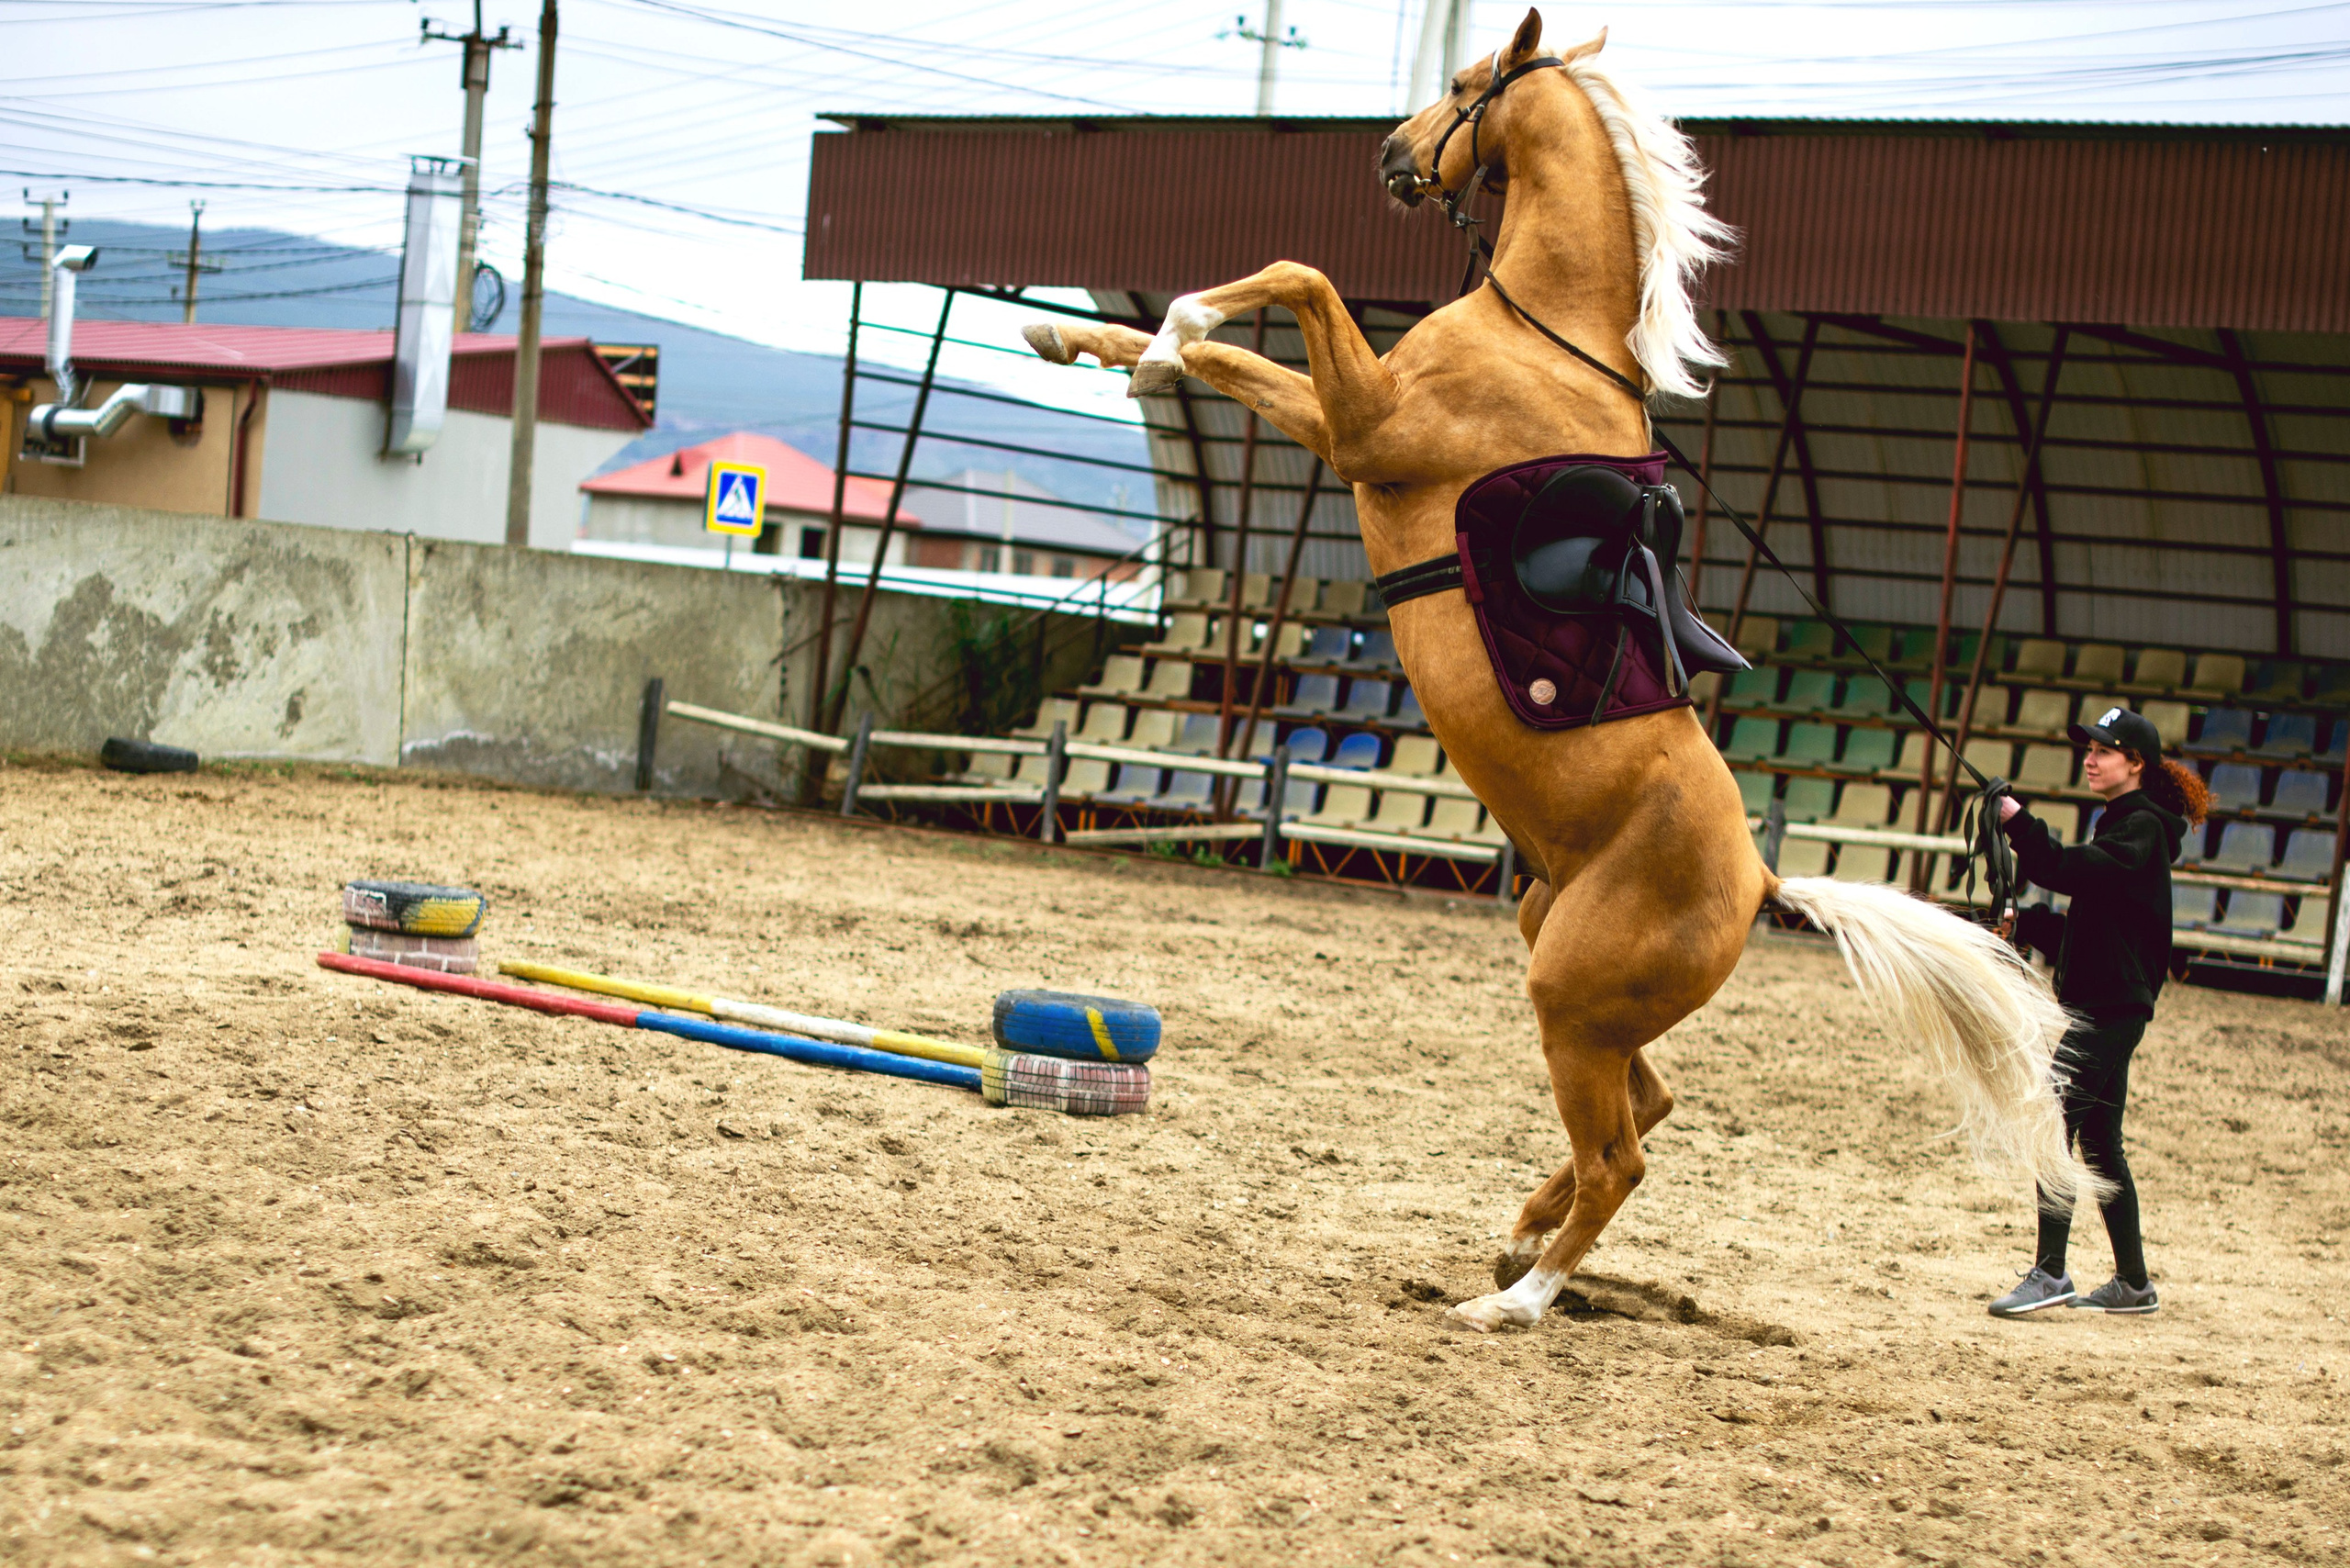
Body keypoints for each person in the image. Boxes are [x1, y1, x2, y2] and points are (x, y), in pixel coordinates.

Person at [1985, 704, 2209, 1318]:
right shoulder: (2125, 823)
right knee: (2102, 1143)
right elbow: (2097, 922)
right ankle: (2133, 1284)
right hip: (2108, 1003)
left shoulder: (2137, 827)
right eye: (2088, 748)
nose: (2090, 758)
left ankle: (2052, 1271)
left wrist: (2018, 824)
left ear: (2135, 764)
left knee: (2051, 1123)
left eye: (2103, 751)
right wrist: (2032, 924)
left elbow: (2066, 870)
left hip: (2110, 1008)